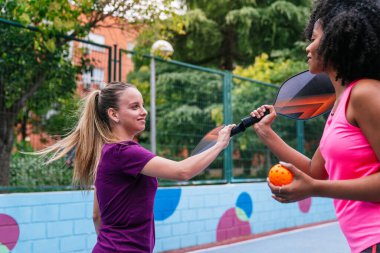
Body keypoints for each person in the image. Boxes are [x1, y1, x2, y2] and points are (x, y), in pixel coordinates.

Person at [38, 82, 234, 252]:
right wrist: (219, 144)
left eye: (142, 105)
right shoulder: (125, 152)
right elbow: (182, 171)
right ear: (114, 114)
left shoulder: (108, 152)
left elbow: (96, 216)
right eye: (135, 107)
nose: (144, 111)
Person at [250, 1, 380, 253]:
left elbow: (316, 182)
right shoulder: (340, 106)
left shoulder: (367, 94)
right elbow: (316, 171)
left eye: (314, 38)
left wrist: (314, 189)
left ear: (338, 40)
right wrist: (267, 133)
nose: (308, 48)